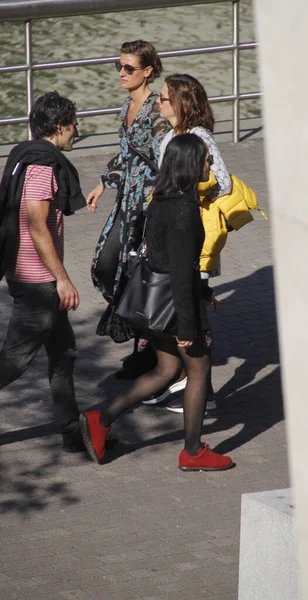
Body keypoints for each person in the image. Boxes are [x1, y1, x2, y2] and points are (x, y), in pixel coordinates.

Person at [80, 134, 234, 471]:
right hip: (177, 306)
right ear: (190, 164)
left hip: (157, 304)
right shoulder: (185, 211)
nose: (208, 164)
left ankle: (101, 419)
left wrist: (203, 291)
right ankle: (192, 452)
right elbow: (180, 271)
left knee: (166, 370)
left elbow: (164, 257)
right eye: (205, 159)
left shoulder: (162, 200)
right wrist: (190, 325)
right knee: (198, 370)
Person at [0, 91, 85, 452]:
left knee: (63, 354)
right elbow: (36, 224)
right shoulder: (42, 168)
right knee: (14, 363)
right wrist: (62, 279)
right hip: (38, 282)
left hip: (32, 277)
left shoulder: (25, 155)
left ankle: (72, 433)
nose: (77, 132)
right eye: (74, 125)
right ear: (61, 126)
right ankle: (72, 432)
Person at [142, 73, 232, 413]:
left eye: (164, 97)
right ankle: (180, 380)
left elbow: (222, 181)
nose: (159, 102)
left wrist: (186, 194)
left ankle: (200, 394)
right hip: (172, 229)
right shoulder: (170, 135)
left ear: (180, 101)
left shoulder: (198, 137)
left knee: (193, 315)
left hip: (189, 235)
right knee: (179, 311)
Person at [86, 39, 171, 378]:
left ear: (148, 71)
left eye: (129, 68)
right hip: (127, 200)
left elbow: (167, 157)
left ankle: (148, 349)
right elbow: (125, 153)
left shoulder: (157, 111)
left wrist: (159, 203)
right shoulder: (126, 107)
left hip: (150, 205)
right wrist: (102, 183)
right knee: (105, 265)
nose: (121, 73)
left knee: (140, 274)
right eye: (118, 66)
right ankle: (142, 334)